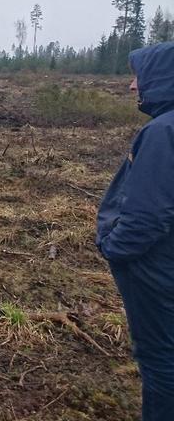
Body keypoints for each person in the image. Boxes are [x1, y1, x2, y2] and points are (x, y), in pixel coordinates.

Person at [96, 42, 174, 420]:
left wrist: (114, 247)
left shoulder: (163, 132)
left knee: (160, 358)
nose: (131, 86)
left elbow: (148, 214)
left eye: (138, 77)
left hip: (156, 267)